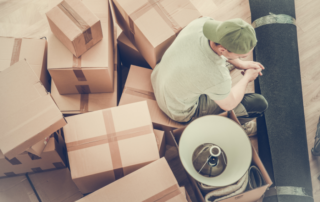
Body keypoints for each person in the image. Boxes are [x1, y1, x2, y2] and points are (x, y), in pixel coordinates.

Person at [151, 17, 268, 136]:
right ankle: (237, 127)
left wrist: (240, 63)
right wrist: (247, 77)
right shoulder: (216, 75)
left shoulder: (201, 23)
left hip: (159, 77)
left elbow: (217, 53)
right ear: (223, 50)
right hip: (176, 110)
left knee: (215, 78)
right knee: (259, 104)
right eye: (242, 56)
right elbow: (229, 104)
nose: (244, 57)